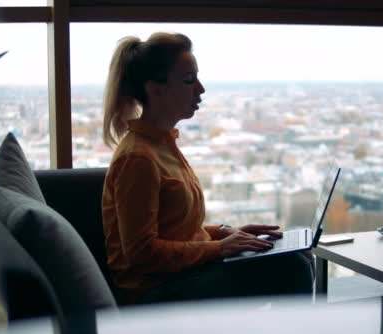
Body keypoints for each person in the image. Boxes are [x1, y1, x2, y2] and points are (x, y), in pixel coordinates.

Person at [101, 32, 313, 305]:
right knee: (291, 266)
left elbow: (175, 230)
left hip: (180, 276)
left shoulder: (160, 145)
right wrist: (219, 248)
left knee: (290, 254)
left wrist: (225, 232)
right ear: (155, 89)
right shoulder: (138, 158)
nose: (200, 89)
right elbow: (142, 255)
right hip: (155, 292)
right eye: (189, 80)